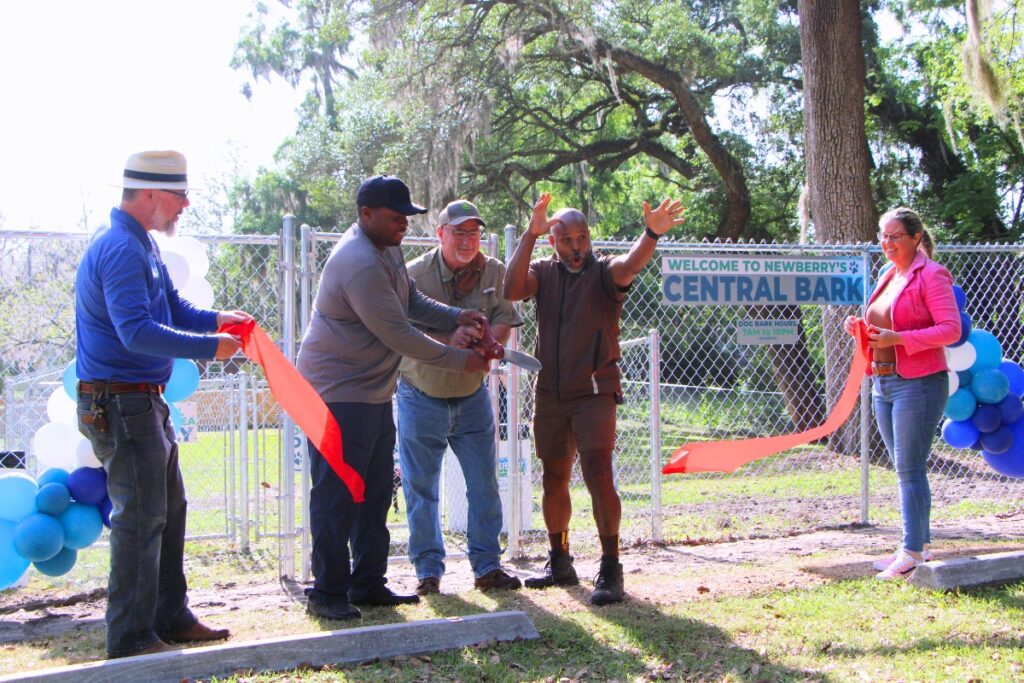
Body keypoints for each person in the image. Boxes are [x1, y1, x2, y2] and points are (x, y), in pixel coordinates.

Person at [75, 150, 251, 658]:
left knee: (168, 511)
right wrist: (209, 348)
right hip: (121, 402)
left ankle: (168, 617)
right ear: (149, 194)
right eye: (178, 195)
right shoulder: (121, 248)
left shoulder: (141, 245)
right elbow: (135, 332)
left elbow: (174, 309)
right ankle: (130, 639)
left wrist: (219, 319)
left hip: (138, 402)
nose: (185, 205)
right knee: (141, 518)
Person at [296, 176, 490, 621]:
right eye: (395, 216)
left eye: (407, 216)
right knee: (338, 493)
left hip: (370, 393)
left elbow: (411, 301)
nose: (404, 223)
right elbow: (399, 333)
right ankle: (327, 592)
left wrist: (458, 314)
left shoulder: (386, 248)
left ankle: (367, 583)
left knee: (376, 490)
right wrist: (460, 361)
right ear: (366, 214)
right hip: (337, 394)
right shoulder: (359, 261)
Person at [504, 192, 685, 605]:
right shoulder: (543, 272)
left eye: (582, 238)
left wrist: (650, 235)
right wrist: (529, 236)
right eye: (567, 240)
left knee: (599, 473)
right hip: (549, 392)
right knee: (553, 477)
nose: (576, 248)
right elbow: (512, 289)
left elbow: (630, 265)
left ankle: (610, 566)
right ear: (554, 242)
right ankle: (560, 560)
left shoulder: (603, 272)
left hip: (594, 393)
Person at [397, 200, 524, 595]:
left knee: (484, 483)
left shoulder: (493, 271)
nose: (468, 240)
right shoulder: (412, 274)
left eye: (474, 232)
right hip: (422, 394)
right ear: (440, 234)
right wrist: (449, 343)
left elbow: (505, 315)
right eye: (459, 232)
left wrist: (489, 343)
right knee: (421, 488)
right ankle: (428, 571)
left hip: (471, 397)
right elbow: (397, 332)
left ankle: (487, 566)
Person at [844, 207, 960, 580]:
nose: (887, 243)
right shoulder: (888, 274)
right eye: (883, 235)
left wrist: (900, 340)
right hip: (884, 380)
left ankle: (909, 551)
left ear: (915, 238)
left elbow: (950, 330)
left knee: (910, 469)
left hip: (919, 382)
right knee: (905, 469)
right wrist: (861, 328)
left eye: (895, 236)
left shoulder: (932, 275)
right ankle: (920, 545)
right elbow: (884, 321)